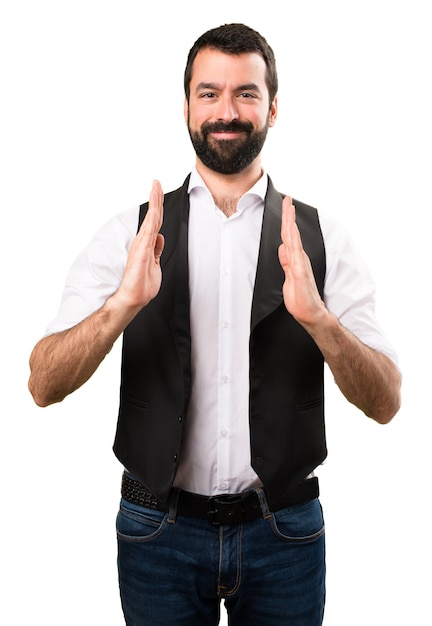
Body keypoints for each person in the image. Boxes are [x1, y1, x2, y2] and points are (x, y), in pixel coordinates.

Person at [28, 23, 401, 626]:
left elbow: (386, 400)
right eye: (209, 93)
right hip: (158, 531)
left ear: (273, 108)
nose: (226, 111)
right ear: (186, 106)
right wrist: (121, 305)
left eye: (246, 94)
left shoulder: (321, 238)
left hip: (286, 532)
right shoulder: (132, 233)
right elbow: (42, 383)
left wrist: (320, 321)